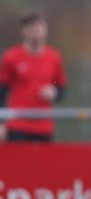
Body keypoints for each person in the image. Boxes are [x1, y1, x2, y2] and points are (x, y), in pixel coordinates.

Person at [0, 9, 67, 143]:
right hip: (18, 125)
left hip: (44, 126)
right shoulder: (11, 57)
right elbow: (2, 90)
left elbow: (59, 86)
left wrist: (53, 91)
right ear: (23, 30)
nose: (36, 30)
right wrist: (1, 122)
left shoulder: (54, 58)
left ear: (46, 29)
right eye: (31, 26)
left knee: (45, 164)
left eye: (39, 26)